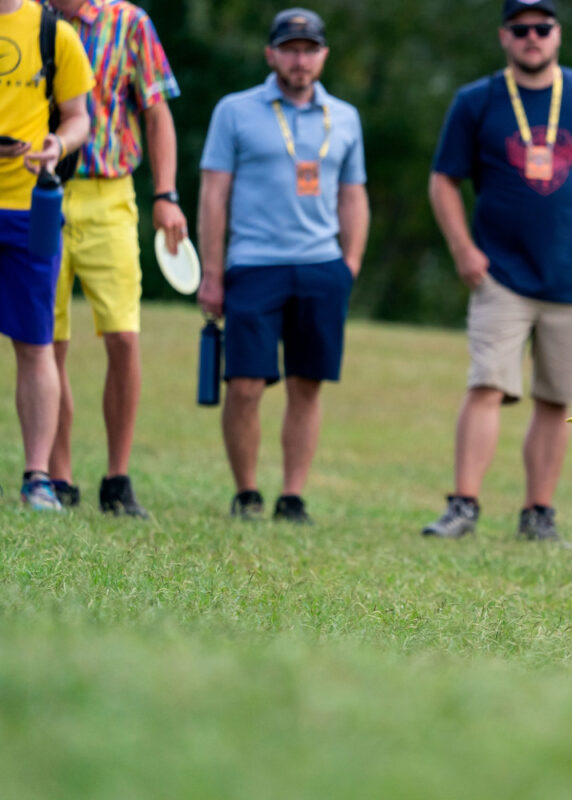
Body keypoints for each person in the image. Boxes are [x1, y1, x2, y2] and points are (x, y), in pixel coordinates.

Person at [422, 0, 572, 545]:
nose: (532, 37)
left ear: (558, 34)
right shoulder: (477, 100)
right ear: (504, 37)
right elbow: (442, 180)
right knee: (487, 385)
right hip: (500, 274)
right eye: (521, 30)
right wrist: (463, 250)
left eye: (542, 28)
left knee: (557, 399)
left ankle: (538, 515)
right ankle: (462, 506)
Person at [197, 7, 369, 523]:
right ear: (271, 54)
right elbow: (213, 193)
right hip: (254, 263)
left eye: (309, 49)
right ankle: (246, 492)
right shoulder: (235, 110)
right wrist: (212, 270)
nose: (300, 59)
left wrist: (350, 262)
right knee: (245, 383)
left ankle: (292, 496)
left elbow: (354, 194)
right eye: (290, 49)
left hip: (321, 265)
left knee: (306, 382)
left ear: (323, 56)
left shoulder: (345, 117)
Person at [44, 0, 187, 517]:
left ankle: (117, 478)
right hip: (41, 189)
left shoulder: (129, 23)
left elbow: (156, 113)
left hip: (110, 192)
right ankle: (56, 475)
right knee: (48, 341)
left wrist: (166, 194)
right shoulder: (26, 19)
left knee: (124, 336)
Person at [0, 0, 93, 510]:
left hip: (29, 206)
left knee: (35, 343)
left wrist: (58, 144)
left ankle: (38, 477)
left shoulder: (55, 34)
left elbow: (80, 118)